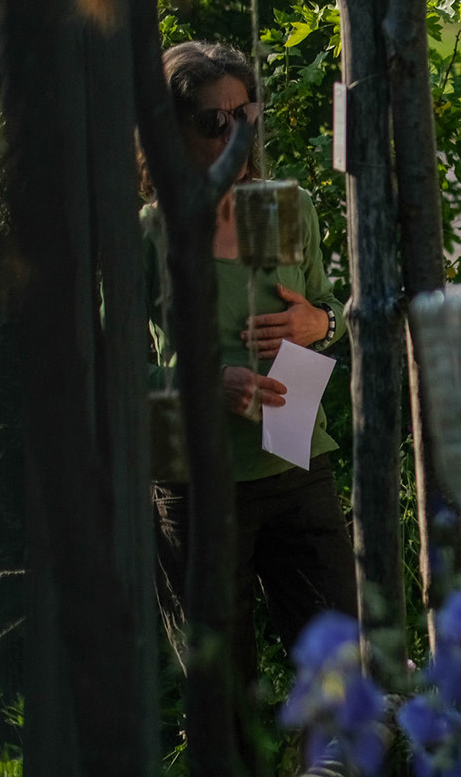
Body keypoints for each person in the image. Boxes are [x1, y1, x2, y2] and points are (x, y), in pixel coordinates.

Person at [143, 40, 353, 697]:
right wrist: (209, 384)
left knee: (339, 679)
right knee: (220, 695)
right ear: (172, 132)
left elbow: (327, 308)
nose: (234, 136)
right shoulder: (152, 233)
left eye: (245, 117)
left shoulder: (279, 207)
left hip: (295, 465)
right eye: (213, 123)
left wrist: (318, 324)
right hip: (200, 484)